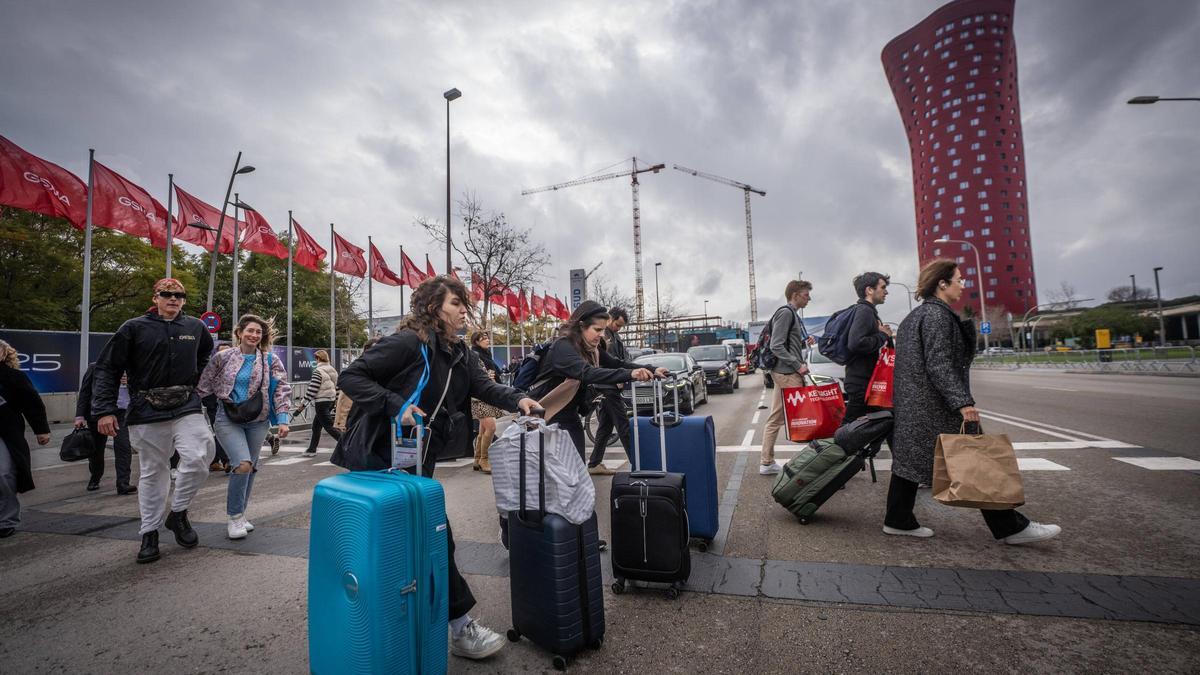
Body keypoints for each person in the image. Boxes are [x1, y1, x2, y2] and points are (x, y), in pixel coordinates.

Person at [334, 275, 541, 661]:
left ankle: (395, 620)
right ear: (433, 308)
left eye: (464, 304)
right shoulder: (409, 343)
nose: (463, 311)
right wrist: (396, 405)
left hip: (415, 457)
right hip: (377, 454)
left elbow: (484, 387)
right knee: (431, 536)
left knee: (417, 538)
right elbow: (352, 376)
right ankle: (455, 628)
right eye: (455, 304)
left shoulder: (458, 352)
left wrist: (520, 399)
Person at [886, 260, 1061, 545]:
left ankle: (897, 520)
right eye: (959, 279)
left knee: (909, 465)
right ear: (942, 283)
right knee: (979, 461)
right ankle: (1011, 528)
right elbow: (939, 364)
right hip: (934, 405)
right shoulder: (937, 317)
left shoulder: (915, 317)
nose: (963, 285)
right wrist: (962, 402)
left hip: (917, 405)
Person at [92, 278, 216, 564]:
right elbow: (108, 368)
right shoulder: (133, 328)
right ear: (156, 297)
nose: (173, 298)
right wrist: (104, 410)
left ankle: (178, 513)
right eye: (167, 294)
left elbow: (205, 355)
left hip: (186, 404)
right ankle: (149, 532)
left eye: (179, 295)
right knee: (152, 471)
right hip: (146, 408)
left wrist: (195, 379)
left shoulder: (195, 327)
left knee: (200, 455)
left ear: (184, 299)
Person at [197, 314, 291, 540]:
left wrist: (284, 418)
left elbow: (282, 388)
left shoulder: (270, 360)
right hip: (227, 417)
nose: (254, 335)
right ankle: (235, 516)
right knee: (242, 464)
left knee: (251, 467)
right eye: (250, 330)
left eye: (258, 332)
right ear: (239, 333)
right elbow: (204, 384)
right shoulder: (223, 357)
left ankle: (241, 515)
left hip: (259, 420)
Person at [758, 280, 814, 475]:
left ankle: (766, 462)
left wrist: (803, 342)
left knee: (776, 417)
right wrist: (798, 365)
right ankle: (818, 460)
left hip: (786, 372)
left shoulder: (792, 315)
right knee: (808, 415)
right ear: (795, 294)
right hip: (787, 373)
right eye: (806, 294)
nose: (809, 298)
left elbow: (787, 344)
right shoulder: (786, 313)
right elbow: (776, 345)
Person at [0, 339, 50, 539]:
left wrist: (41, 430)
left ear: (4, 354)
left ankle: (6, 519)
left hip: (5, 432)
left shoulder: (14, 377)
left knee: (3, 473)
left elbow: (32, 404)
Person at [75, 365, 136, 494]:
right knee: (97, 450)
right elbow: (85, 392)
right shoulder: (95, 367)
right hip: (99, 412)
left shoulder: (132, 367)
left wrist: (130, 382)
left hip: (121, 413)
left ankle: (123, 483)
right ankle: (95, 477)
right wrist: (79, 416)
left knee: (123, 446)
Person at [842, 271, 893, 425]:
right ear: (869, 290)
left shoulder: (868, 311)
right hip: (861, 382)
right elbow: (856, 343)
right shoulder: (864, 311)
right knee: (848, 429)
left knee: (883, 422)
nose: (886, 292)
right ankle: (829, 449)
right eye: (882, 287)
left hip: (866, 381)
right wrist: (883, 335)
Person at [589, 306, 635, 472]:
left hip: (611, 385)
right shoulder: (603, 337)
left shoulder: (615, 336)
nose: (618, 328)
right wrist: (619, 377)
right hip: (607, 385)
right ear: (610, 318)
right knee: (623, 426)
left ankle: (594, 463)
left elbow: (621, 359)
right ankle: (638, 465)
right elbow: (607, 362)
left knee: (605, 428)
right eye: (618, 324)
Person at [468, 331, 503, 473]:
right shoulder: (474, 355)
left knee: (483, 429)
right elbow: (473, 375)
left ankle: (477, 459)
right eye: (483, 339)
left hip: (486, 394)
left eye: (487, 338)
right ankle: (484, 459)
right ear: (476, 342)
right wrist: (486, 377)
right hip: (479, 396)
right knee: (491, 428)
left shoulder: (486, 354)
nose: (487, 340)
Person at [332, 337, 380, 433]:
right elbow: (344, 398)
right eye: (377, 349)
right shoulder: (358, 367)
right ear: (367, 350)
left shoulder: (380, 367)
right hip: (356, 418)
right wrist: (341, 422)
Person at [298, 349, 341, 455]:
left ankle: (349, 445)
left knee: (329, 426)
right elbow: (337, 387)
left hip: (321, 402)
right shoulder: (332, 370)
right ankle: (312, 449)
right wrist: (336, 401)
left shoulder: (318, 371)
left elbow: (312, 389)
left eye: (315, 358)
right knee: (316, 426)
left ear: (318, 358)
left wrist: (303, 404)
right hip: (330, 401)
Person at [205, 344, 234, 474]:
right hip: (214, 406)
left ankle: (216, 461)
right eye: (222, 351)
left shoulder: (236, 367)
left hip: (232, 407)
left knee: (224, 432)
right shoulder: (211, 368)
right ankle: (227, 460)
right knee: (220, 432)